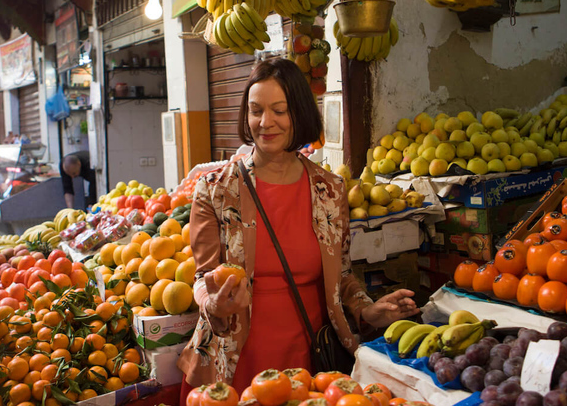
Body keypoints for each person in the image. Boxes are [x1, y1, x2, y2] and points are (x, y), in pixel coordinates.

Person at [177, 58, 419, 401]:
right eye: (256, 110)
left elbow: (342, 275)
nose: (265, 122)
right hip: (232, 359)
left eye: (280, 110)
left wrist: (367, 309)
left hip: (308, 359)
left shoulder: (330, 190)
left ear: (300, 113)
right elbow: (203, 275)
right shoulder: (216, 190)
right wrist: (212, 303)